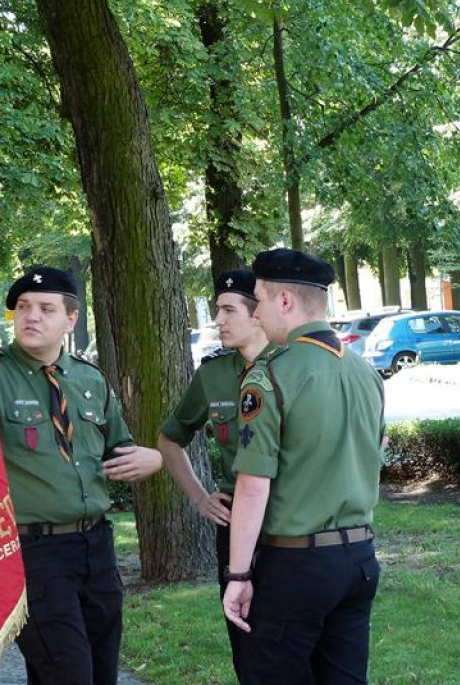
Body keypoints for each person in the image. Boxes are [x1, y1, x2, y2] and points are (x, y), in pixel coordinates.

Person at [0, 266, 163, 685]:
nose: (31, 316)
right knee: (68, 673)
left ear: (71, 318)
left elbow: (119, 446)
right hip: (32, 554)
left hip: (96, 548)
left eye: (46, 308)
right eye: (23, 307)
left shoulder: (88, 379)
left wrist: (153, 459)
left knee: (99, 673)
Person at [222, 248, 386, 685]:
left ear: (285, 302)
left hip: (298, 563)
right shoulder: (364, 372)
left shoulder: (269, 375)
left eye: (258, 300)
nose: (255, 313)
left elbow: (253, 486)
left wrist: (237, 574)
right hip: (360, 556)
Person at [157, 269, 272, 678]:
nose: (217, 320)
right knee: (244, 635)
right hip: (235, 520)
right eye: (217, 310)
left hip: (288, 523)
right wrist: (198, 495)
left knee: (286, 641)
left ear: (259, 313)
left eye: (228, 310)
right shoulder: (212, 375)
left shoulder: (290, 364)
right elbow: (170, 439)